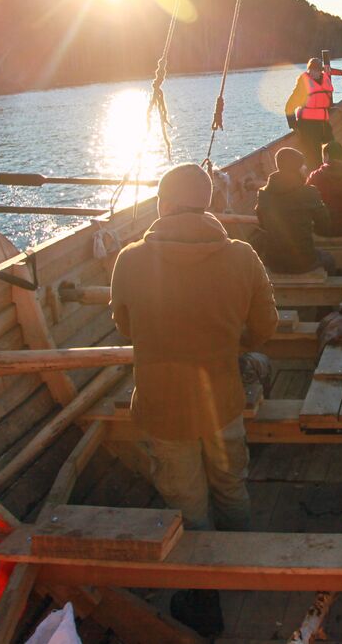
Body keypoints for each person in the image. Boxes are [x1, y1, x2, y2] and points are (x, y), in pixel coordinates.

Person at [109, 163, 278, 532]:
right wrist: (233, 345)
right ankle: (239, 562)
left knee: (185, 501)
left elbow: (126, 328)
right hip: (222, 400)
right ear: (209, 203)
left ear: (162, 205)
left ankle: (202, 581)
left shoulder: (129, 259)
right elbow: (266, 326)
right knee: (231, 487)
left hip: (161, 405)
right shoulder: (243, 256)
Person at [254, 146, 335, 274]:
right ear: (295, 169)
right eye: (302, 165)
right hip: (303, 261)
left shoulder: (263, 193)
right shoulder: (309, 192)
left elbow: (263, 224)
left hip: (274, 262)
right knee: (329, 259)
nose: (305, 168)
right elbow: (325, 226)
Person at [284, 57, 334, 170]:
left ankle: (332, 172)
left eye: (317, 70)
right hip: (307, 125)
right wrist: (294, 126)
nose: (314, 72)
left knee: (332, 148)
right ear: (309, 70)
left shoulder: (325, 79)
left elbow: (327, 101)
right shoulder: (303, 84)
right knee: (314, 155)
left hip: (323, 122)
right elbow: (289, 106)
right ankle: (316, 178)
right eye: (311, 70)